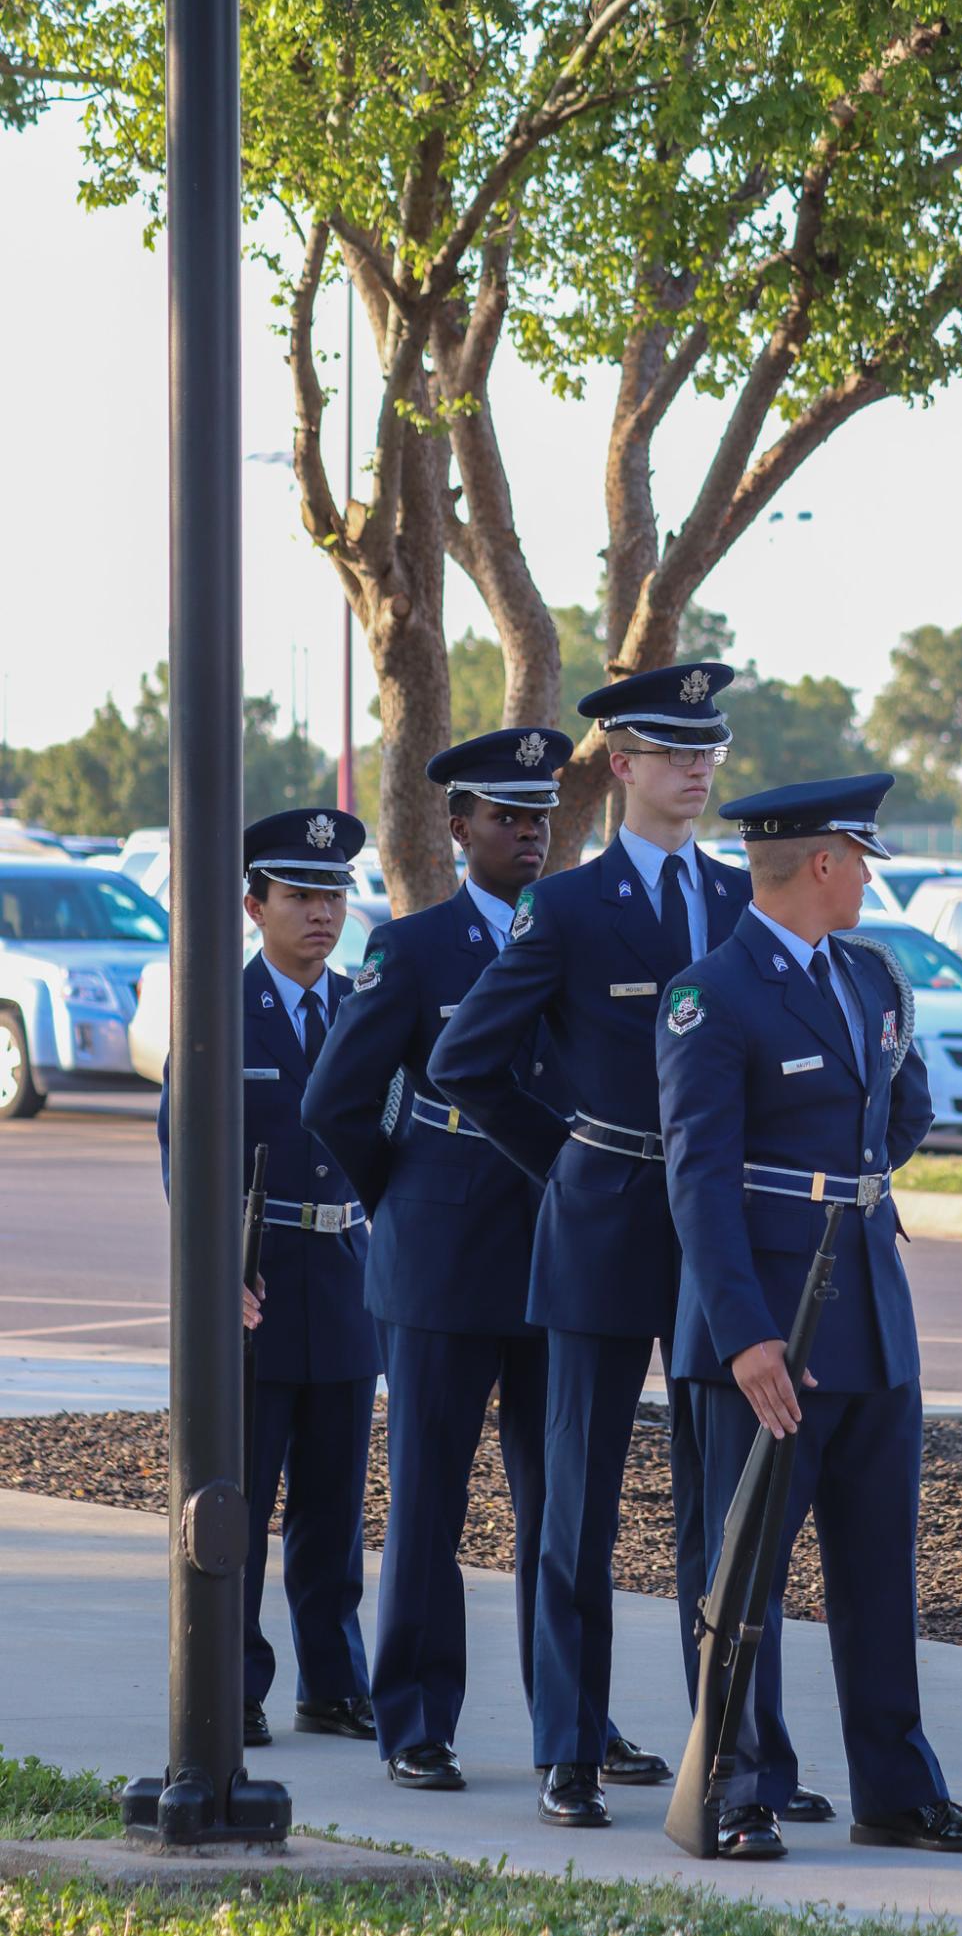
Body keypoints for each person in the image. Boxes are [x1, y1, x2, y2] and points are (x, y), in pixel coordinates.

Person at [430, 666, 826, 1831]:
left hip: (723, 1234)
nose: (696, 768)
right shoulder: (567, 905)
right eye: (669, 749)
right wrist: (560, 1158)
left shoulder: (738, 896)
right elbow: (465, 1065)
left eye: (709, 747)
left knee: (726, 1505)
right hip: (599, 1220)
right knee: (576, 1501)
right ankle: (569, 1747)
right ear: (619, 763)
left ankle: (740, 1748)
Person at [656, 774, 962, 1861]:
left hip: (867, 1312)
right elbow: (696, 1180)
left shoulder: (868, 980)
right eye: (858, 857)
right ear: (819, 864)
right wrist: (742, 1332)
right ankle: (733, 1787)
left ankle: (895, 1792)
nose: (867, 875)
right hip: (770, 1330)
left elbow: (897, 1115)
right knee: (742, 1575)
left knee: (877, 1572)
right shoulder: (710, 995)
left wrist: (837, 1193)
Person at [302, 727, 646, 1793]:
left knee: (566, 1507)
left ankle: (573, 1727)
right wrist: (404, 1193)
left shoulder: (588, 933)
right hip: (442, 1257)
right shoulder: (411, 951)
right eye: (504, 816)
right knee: (428, 1503)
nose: (528, 833)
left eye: (541, 815)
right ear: (457, 829)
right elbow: (333, 1102)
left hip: (565, 1253)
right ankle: (413, 1721)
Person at [158, 806, 381, 1750]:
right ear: (253, 903)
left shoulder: (363, 1005)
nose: (321, 913)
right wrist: (216, 1273)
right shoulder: (217, 1007)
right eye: (299, 895)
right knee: (241, 1501)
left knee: (333, 1510)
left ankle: (332, 1682)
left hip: (343, 1282)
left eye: (332, 894)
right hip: (253, 1288)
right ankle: (234, 1678)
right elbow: (184, 1149)